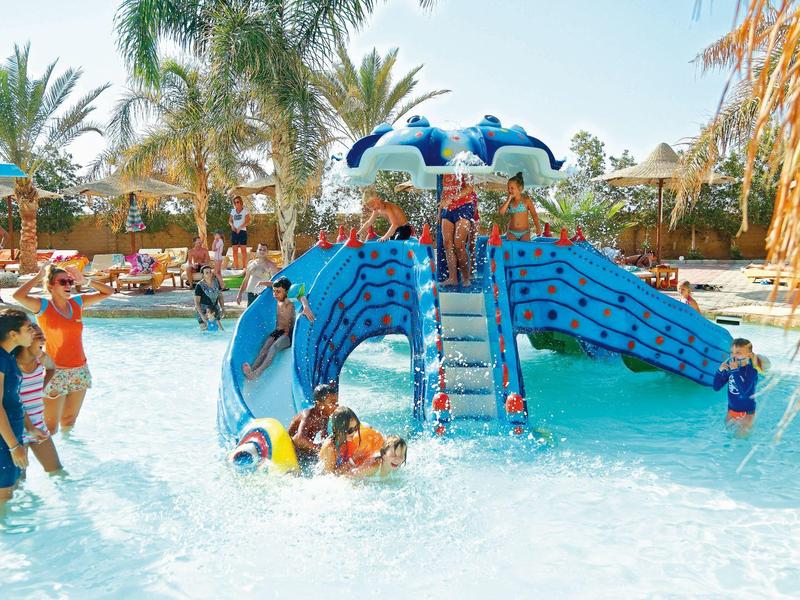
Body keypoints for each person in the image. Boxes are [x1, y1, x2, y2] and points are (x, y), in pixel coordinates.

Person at [13, 263, 114, 434]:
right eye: (62, 282)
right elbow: (18, 296)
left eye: (70, 281)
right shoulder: (43, 306)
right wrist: (38, 276)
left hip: (80, 369)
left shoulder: (77, 303)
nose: (68, 285)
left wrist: (86, 281)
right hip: (55, 371)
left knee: (69, 421)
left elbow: (109, 292)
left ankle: (69, 448)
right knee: (50, 427)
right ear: (51, 286)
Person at [242, 277, 314, 380]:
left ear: (287, 292)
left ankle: (257, 373)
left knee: (273, 348)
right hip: (277, 331)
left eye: (278, 292)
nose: (275, 294)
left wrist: (306, 307)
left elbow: (301, 297)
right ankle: (252, 368)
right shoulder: (279, 297)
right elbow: (273, 284)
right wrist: (263, 283)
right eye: (274, 291)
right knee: (265, 347)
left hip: (287, 334)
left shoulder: (288, 300)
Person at [0, 308, 35, 506]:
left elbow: (14, 399)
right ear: (13, 334)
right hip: (4, 440)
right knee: (4, 498)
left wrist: (29, 428)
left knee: (11, 492)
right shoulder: (0, 359)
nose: (33, 332)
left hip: (11, 434)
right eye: (28, 329)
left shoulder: (9, 356)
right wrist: (14, 447)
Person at [16, 324, 61, 473]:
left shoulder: (39, 359)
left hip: (38, 425)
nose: (44, 340)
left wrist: (40, 389)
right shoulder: (12, 365)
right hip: (17, 429)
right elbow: (14, 402)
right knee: (19, 479)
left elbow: (52, 368)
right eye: (39, 337)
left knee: (56, 471)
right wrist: (30, 428)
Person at [713, 338, 767, 435]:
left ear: (749, 355)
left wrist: (735, 371)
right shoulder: (730, 369)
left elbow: (744, 392)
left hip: (747, 413)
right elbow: (716, 387)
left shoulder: (751, 371)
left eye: (738, 353)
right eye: (732, 352)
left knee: (740, 439)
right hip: (731, 411)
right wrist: (719, 371)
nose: (734, 356)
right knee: (727, 436)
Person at [319, 406, 385, 476]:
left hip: (348, 464)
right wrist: (353, 459)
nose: (354, 432)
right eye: (350, 430)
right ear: (338, 430)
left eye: (356, 427)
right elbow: (331, 475)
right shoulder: (330, 448)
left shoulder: (357, 432)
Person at [287, 382, 339, 469]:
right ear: (320, 405)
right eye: (332, 403)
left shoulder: (324, 417)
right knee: (298, 439)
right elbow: (300, 438)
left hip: (304, 450)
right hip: (291, 448)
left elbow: (324, 437)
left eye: (336, 402)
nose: (336, 406)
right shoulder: (308, 415)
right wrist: (318, 449)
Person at [440, 174, 478, 287]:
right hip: (448, 208)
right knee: (447, 243)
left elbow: (470, 187)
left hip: (464, 206)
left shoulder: (463, 166)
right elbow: (444, 191)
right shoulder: (442, 169)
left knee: (458, 244)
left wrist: (451, 199)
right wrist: (440, 211)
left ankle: (466, 278)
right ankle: (453, 278)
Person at [499, 172, 542, 241]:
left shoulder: (526, 200)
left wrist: (538, 228)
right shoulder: (509, 201)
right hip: (511, 232)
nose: (509, 190)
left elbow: (534, 215)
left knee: (524, 246)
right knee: (512, 246)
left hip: (525, 232)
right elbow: (501, 212)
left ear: (520, 188)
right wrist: (508, 199)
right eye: (508, 188)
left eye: (512, 188)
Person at [236, 242, 279, 307]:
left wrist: (262, 283)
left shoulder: (271, 265)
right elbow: (246, 279)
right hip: (250, 294)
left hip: (263, 295)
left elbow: (276, 283)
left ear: (267, 252)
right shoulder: (251, 263)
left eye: (264, 250)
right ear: (257, 251)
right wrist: (239, 294)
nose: (262, 251)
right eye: (260, 249)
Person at [194, 265, 225, 331]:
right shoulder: (199, 286)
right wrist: (202, 315)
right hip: (203, 311)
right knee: (204, 331)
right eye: (206, 273)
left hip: (214, 310)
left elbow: (220, 296)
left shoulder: (216, 282)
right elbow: (197, 303)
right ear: (203, 275)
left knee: (218, 330)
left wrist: (223, 308)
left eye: (210, 272)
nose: (209, 274)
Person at [228, 195, 250, 269]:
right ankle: (236, 268)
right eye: (235, 202)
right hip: (234, 232)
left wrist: (240, 227)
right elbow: (230, 221)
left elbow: (247, 222)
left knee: (243, 251)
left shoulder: (245, 211)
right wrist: (232, 226)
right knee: (234, 251)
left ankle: (244, 268)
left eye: (237, 202)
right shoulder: (233, 211)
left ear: (241, 202)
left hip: (242, 232)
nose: (236, 204)